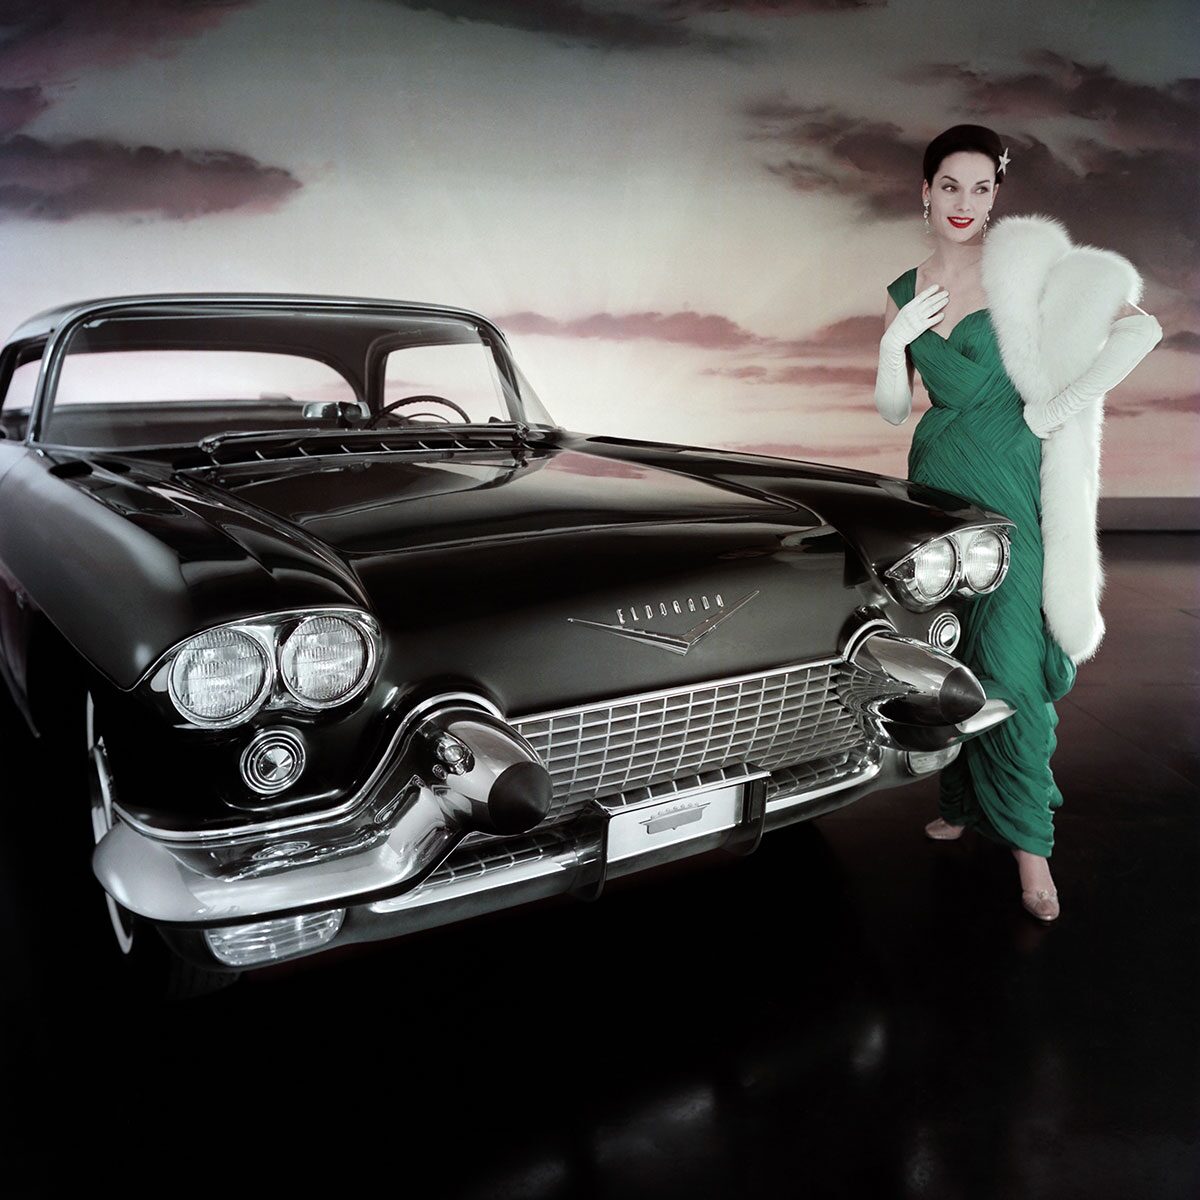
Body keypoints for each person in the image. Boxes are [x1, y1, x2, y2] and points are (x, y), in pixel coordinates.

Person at [872, 124, 1162, 923]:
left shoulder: (1029, 274)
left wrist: (1064, 404)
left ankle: (1032, 853)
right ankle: (963, 803)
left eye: (982, 188)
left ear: (997, 197)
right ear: (924, 193)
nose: (966, 203)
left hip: (1010, 484)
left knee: (1014, 663)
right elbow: (898, 410)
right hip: (935, 484)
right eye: (951, 186)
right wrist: (895, 337)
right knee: (950, 647)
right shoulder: (904, 286)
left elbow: (1140, 327)